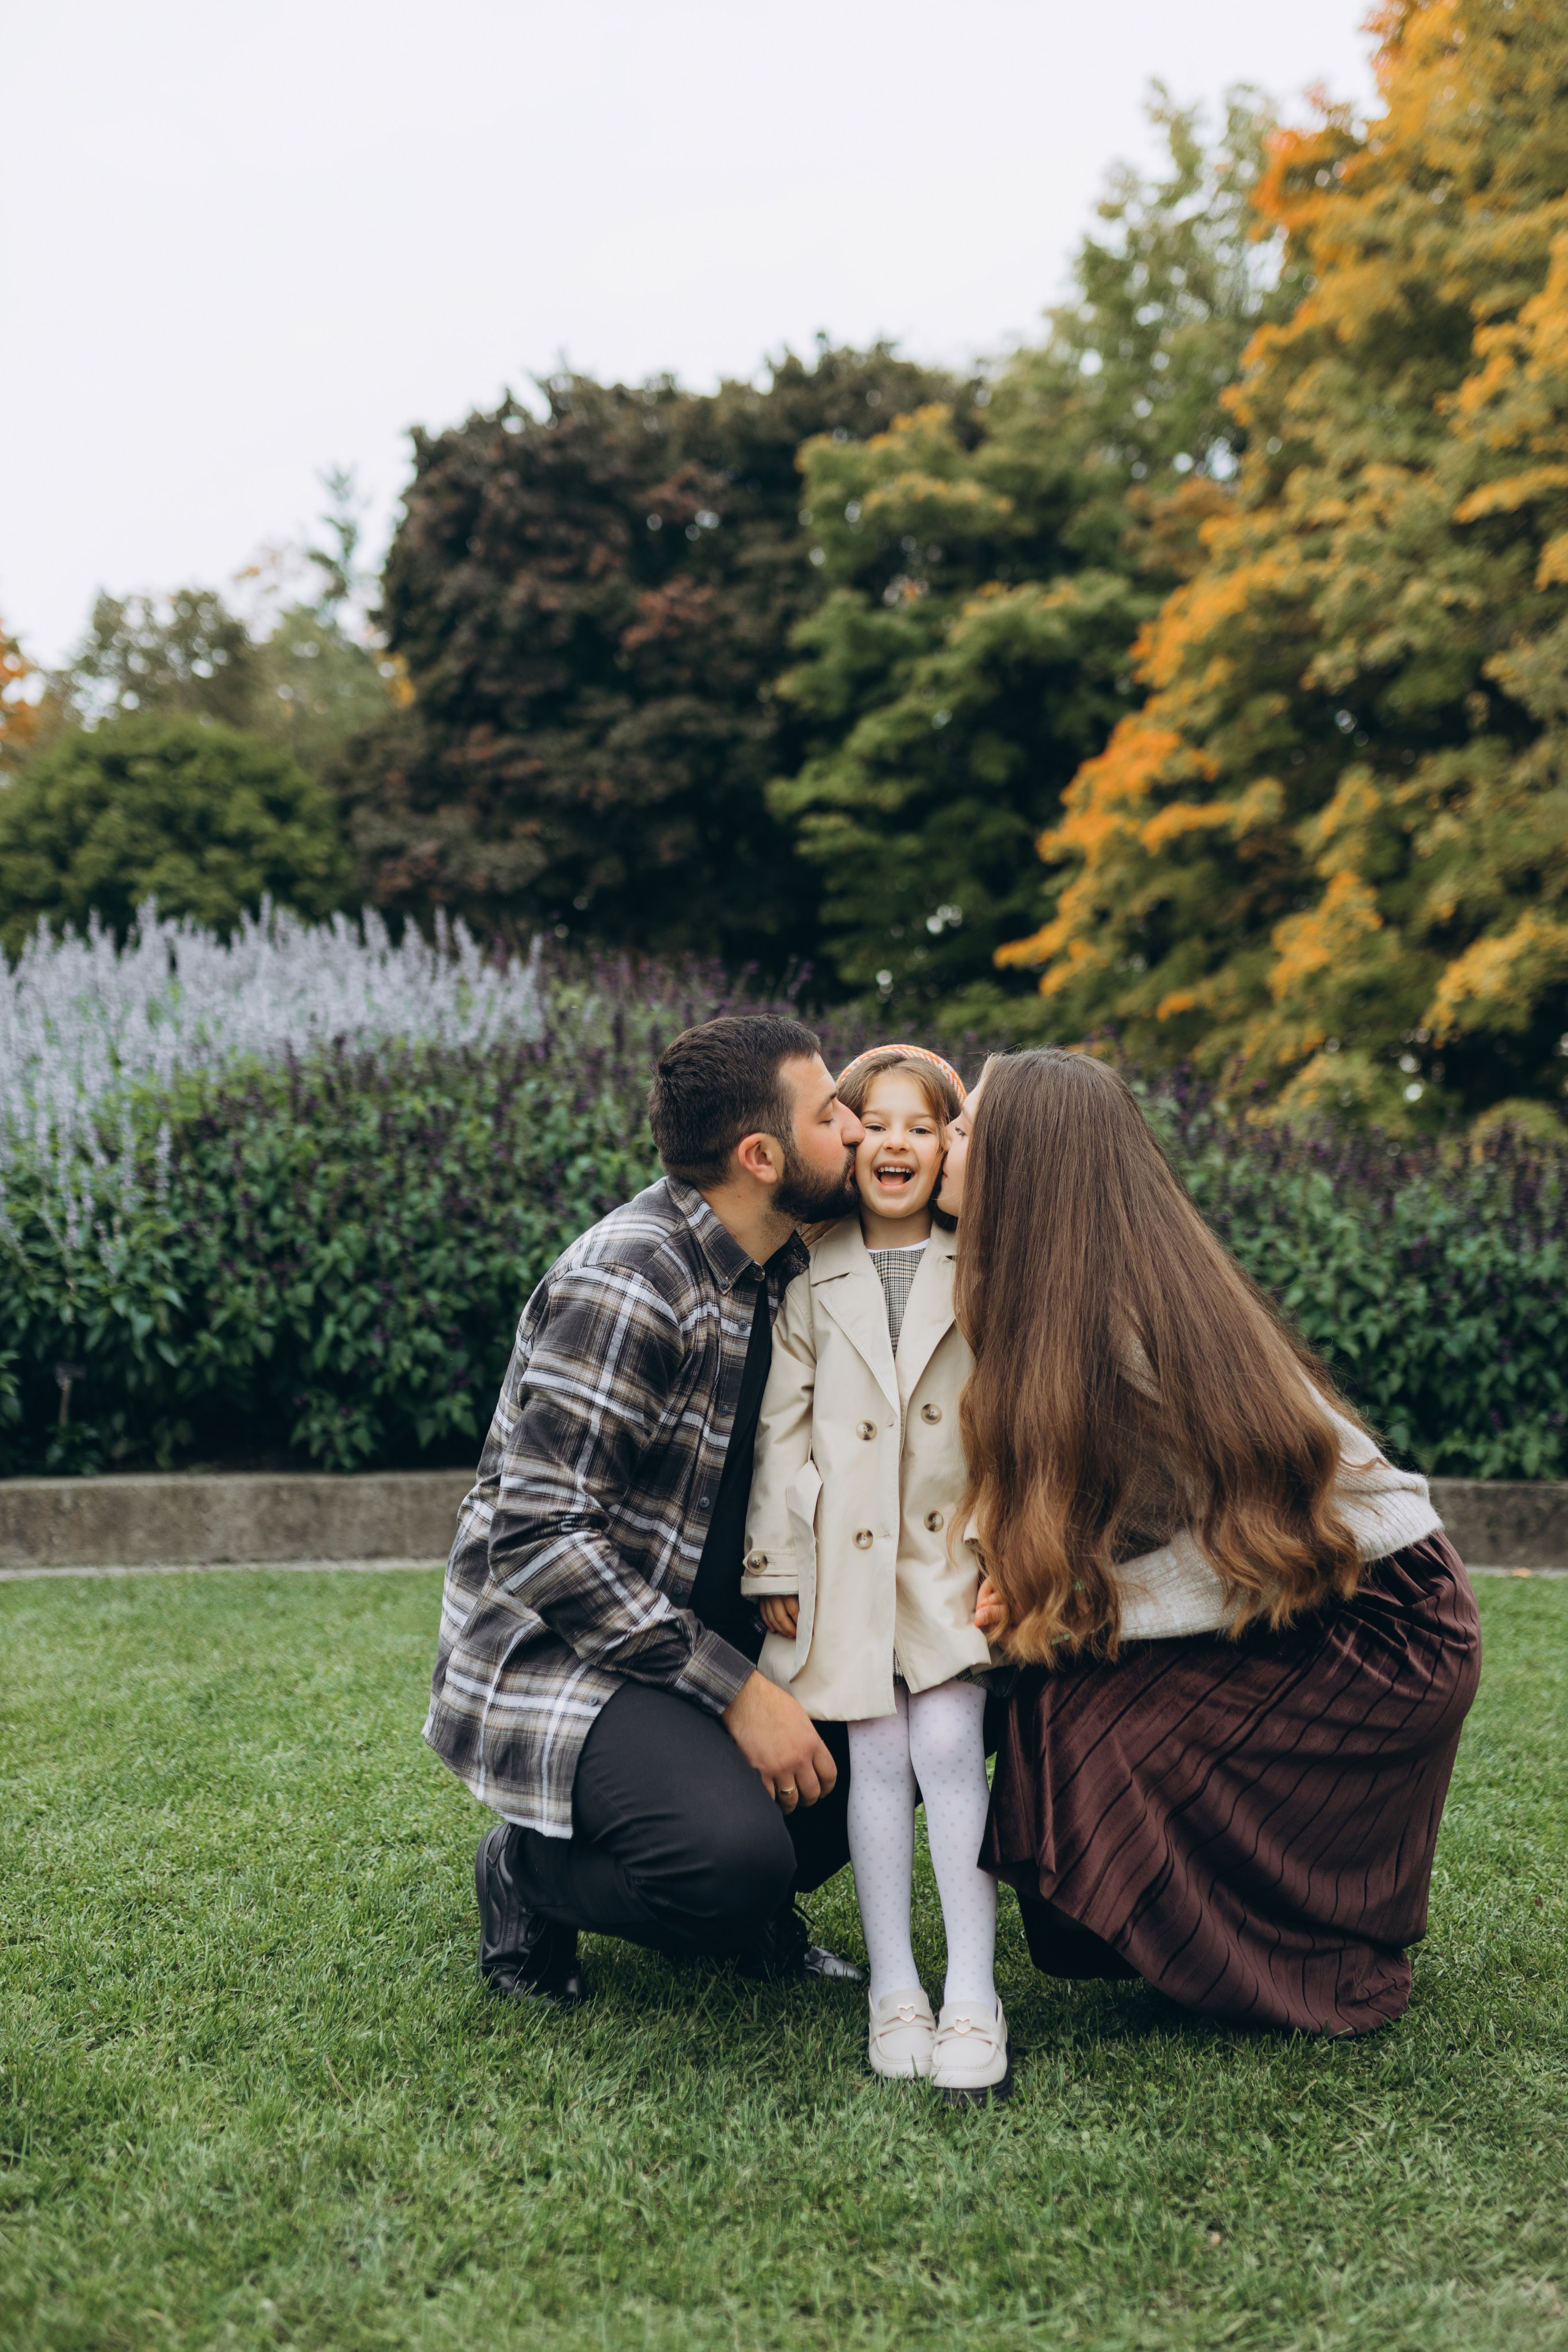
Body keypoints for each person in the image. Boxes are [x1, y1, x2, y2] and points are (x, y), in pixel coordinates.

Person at [943, 1048, 1482, 2037]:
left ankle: (1318, 1961)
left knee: (1091, 1725)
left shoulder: (1130, 1328)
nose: (942, 1137)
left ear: (1023, 1163)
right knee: (1063, 1707)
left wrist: (1090, 1613)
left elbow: (1279, 1545)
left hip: (1379, 1615)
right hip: (1298, 1583)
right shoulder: (1045, 1295)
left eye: (965, 1126)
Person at [423, 1014, 871, 2002]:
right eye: (831, 1113)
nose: (856, 1127)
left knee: (919, 1705)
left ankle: (753, 1890)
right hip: (570, 1649)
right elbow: (540, 1539)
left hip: (715, 1624)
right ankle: (527, 1872)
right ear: (761, 1158)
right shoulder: (632, 1283)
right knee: (728, 1863)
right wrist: (740, 1695)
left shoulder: (789, 1257)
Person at [742, 1046, 1009, 2101]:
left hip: (947, 1559)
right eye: (878, 1124)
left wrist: (1005, 1548)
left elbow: (1009, 1427)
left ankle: (975, 1991)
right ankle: (895, 1987)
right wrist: (774, 1557)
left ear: (948, 1149)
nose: (898, 1143)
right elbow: (781, 1428)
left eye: (923, 1126)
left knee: (949, 1743)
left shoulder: (980, 1268)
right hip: (847, 1564)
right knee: (879, 1753)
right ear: (850, 1146)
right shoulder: (811, 1274)